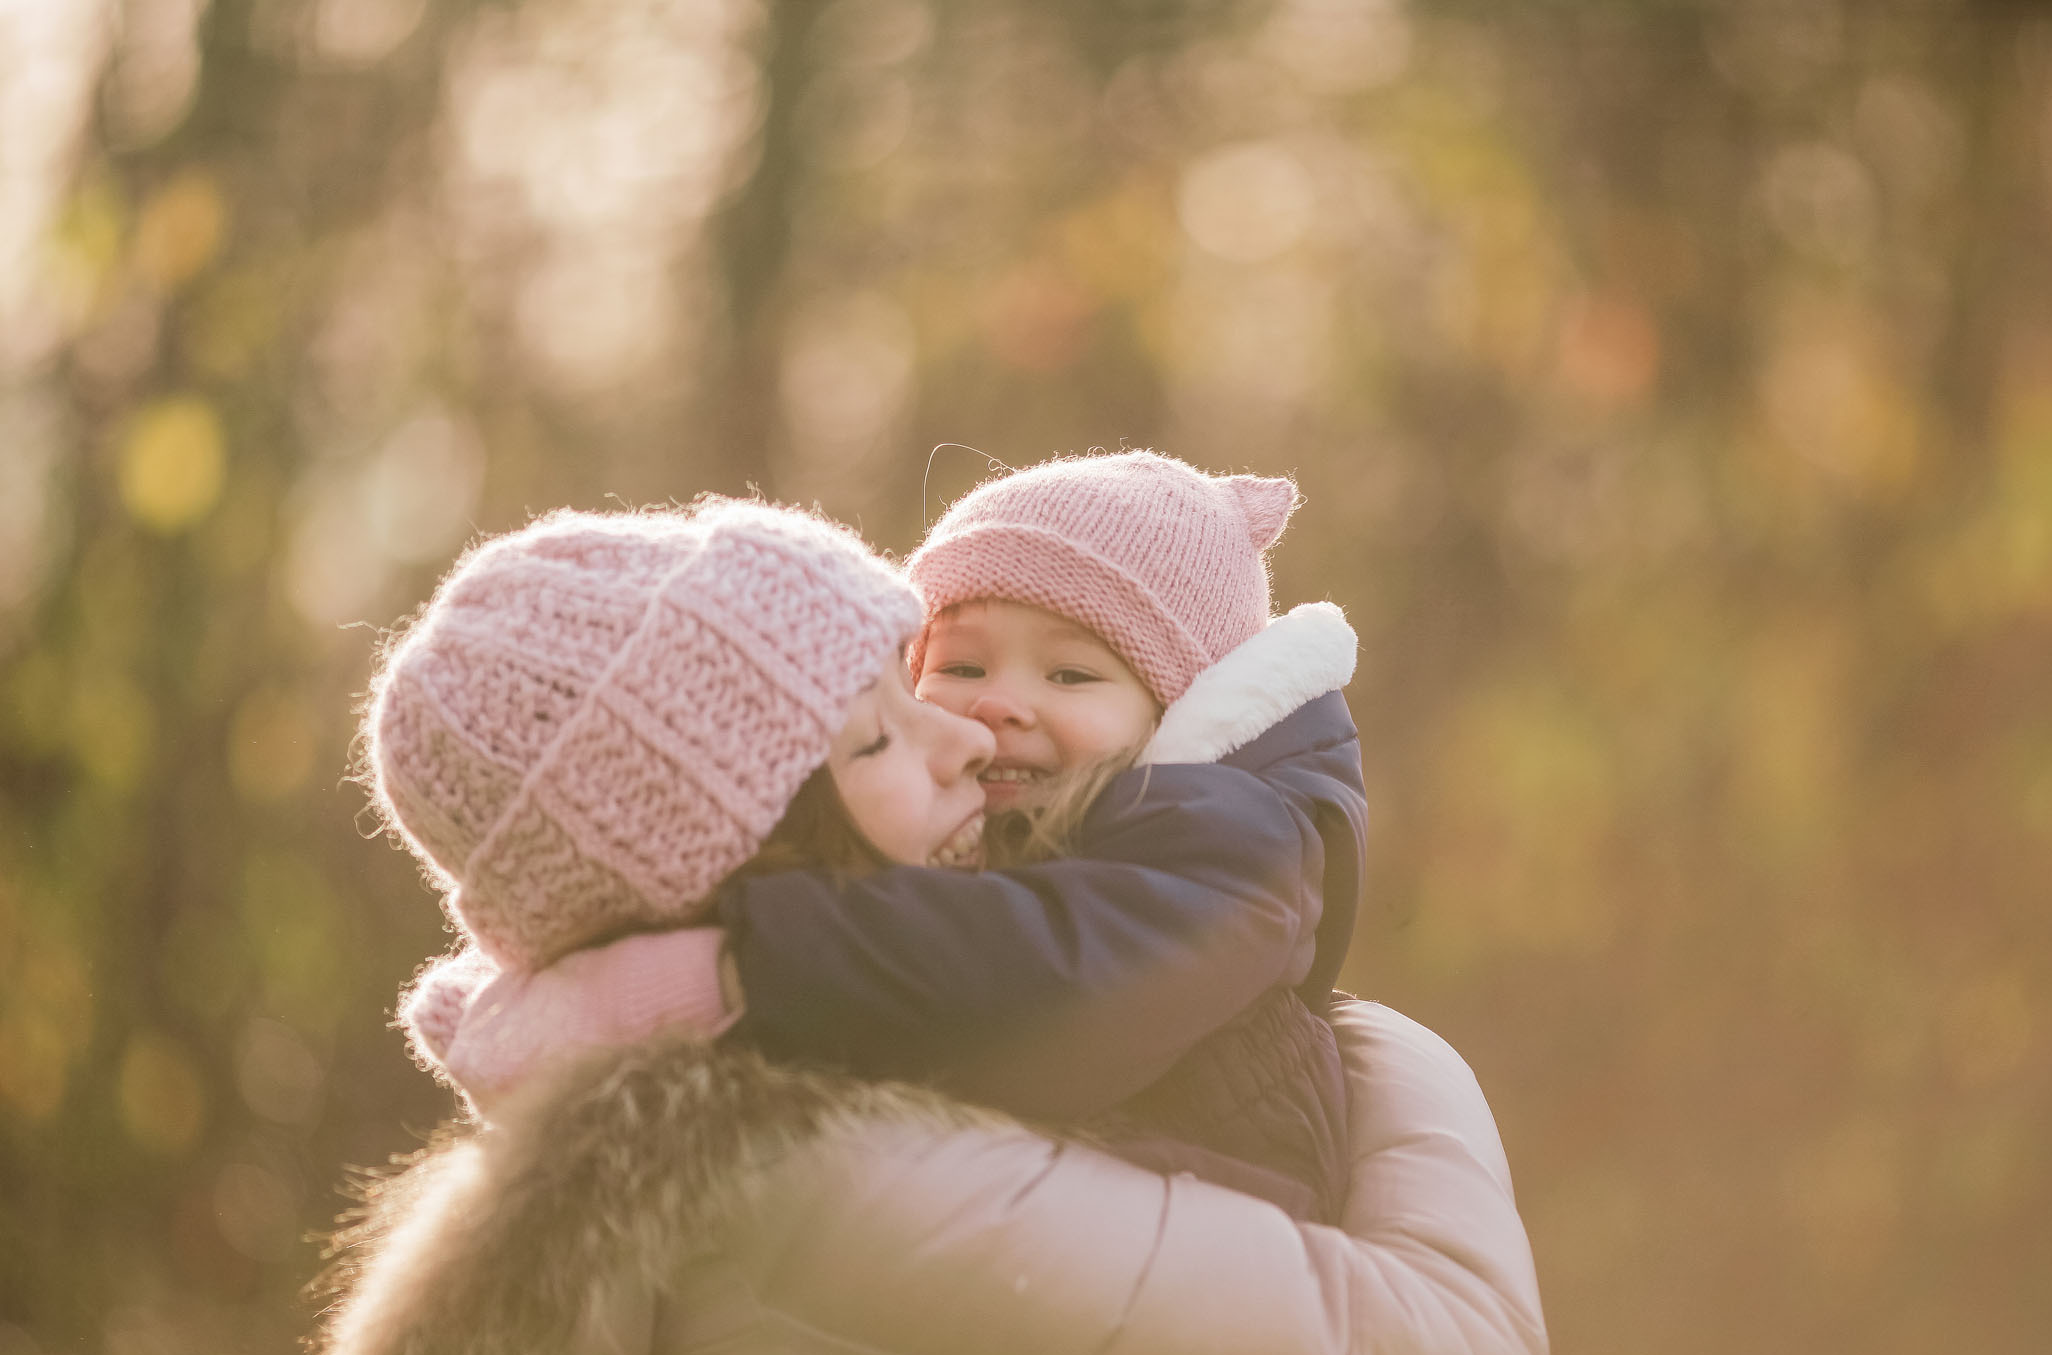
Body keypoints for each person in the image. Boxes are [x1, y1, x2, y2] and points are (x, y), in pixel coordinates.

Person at [302, 495, 1546, 1355]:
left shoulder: (742, 1114)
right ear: (755, 855)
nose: (969, 734)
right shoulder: (821, 1176)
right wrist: (1400, 1059)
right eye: (878, 735)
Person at [408, 451, 1365, 1219]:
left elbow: (1045, 977)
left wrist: (723, 971)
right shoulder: (1032, 846)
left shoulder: (1230, 836)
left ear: (1178, 706)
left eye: (1071, 676)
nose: (987, 715)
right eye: (955, 669)